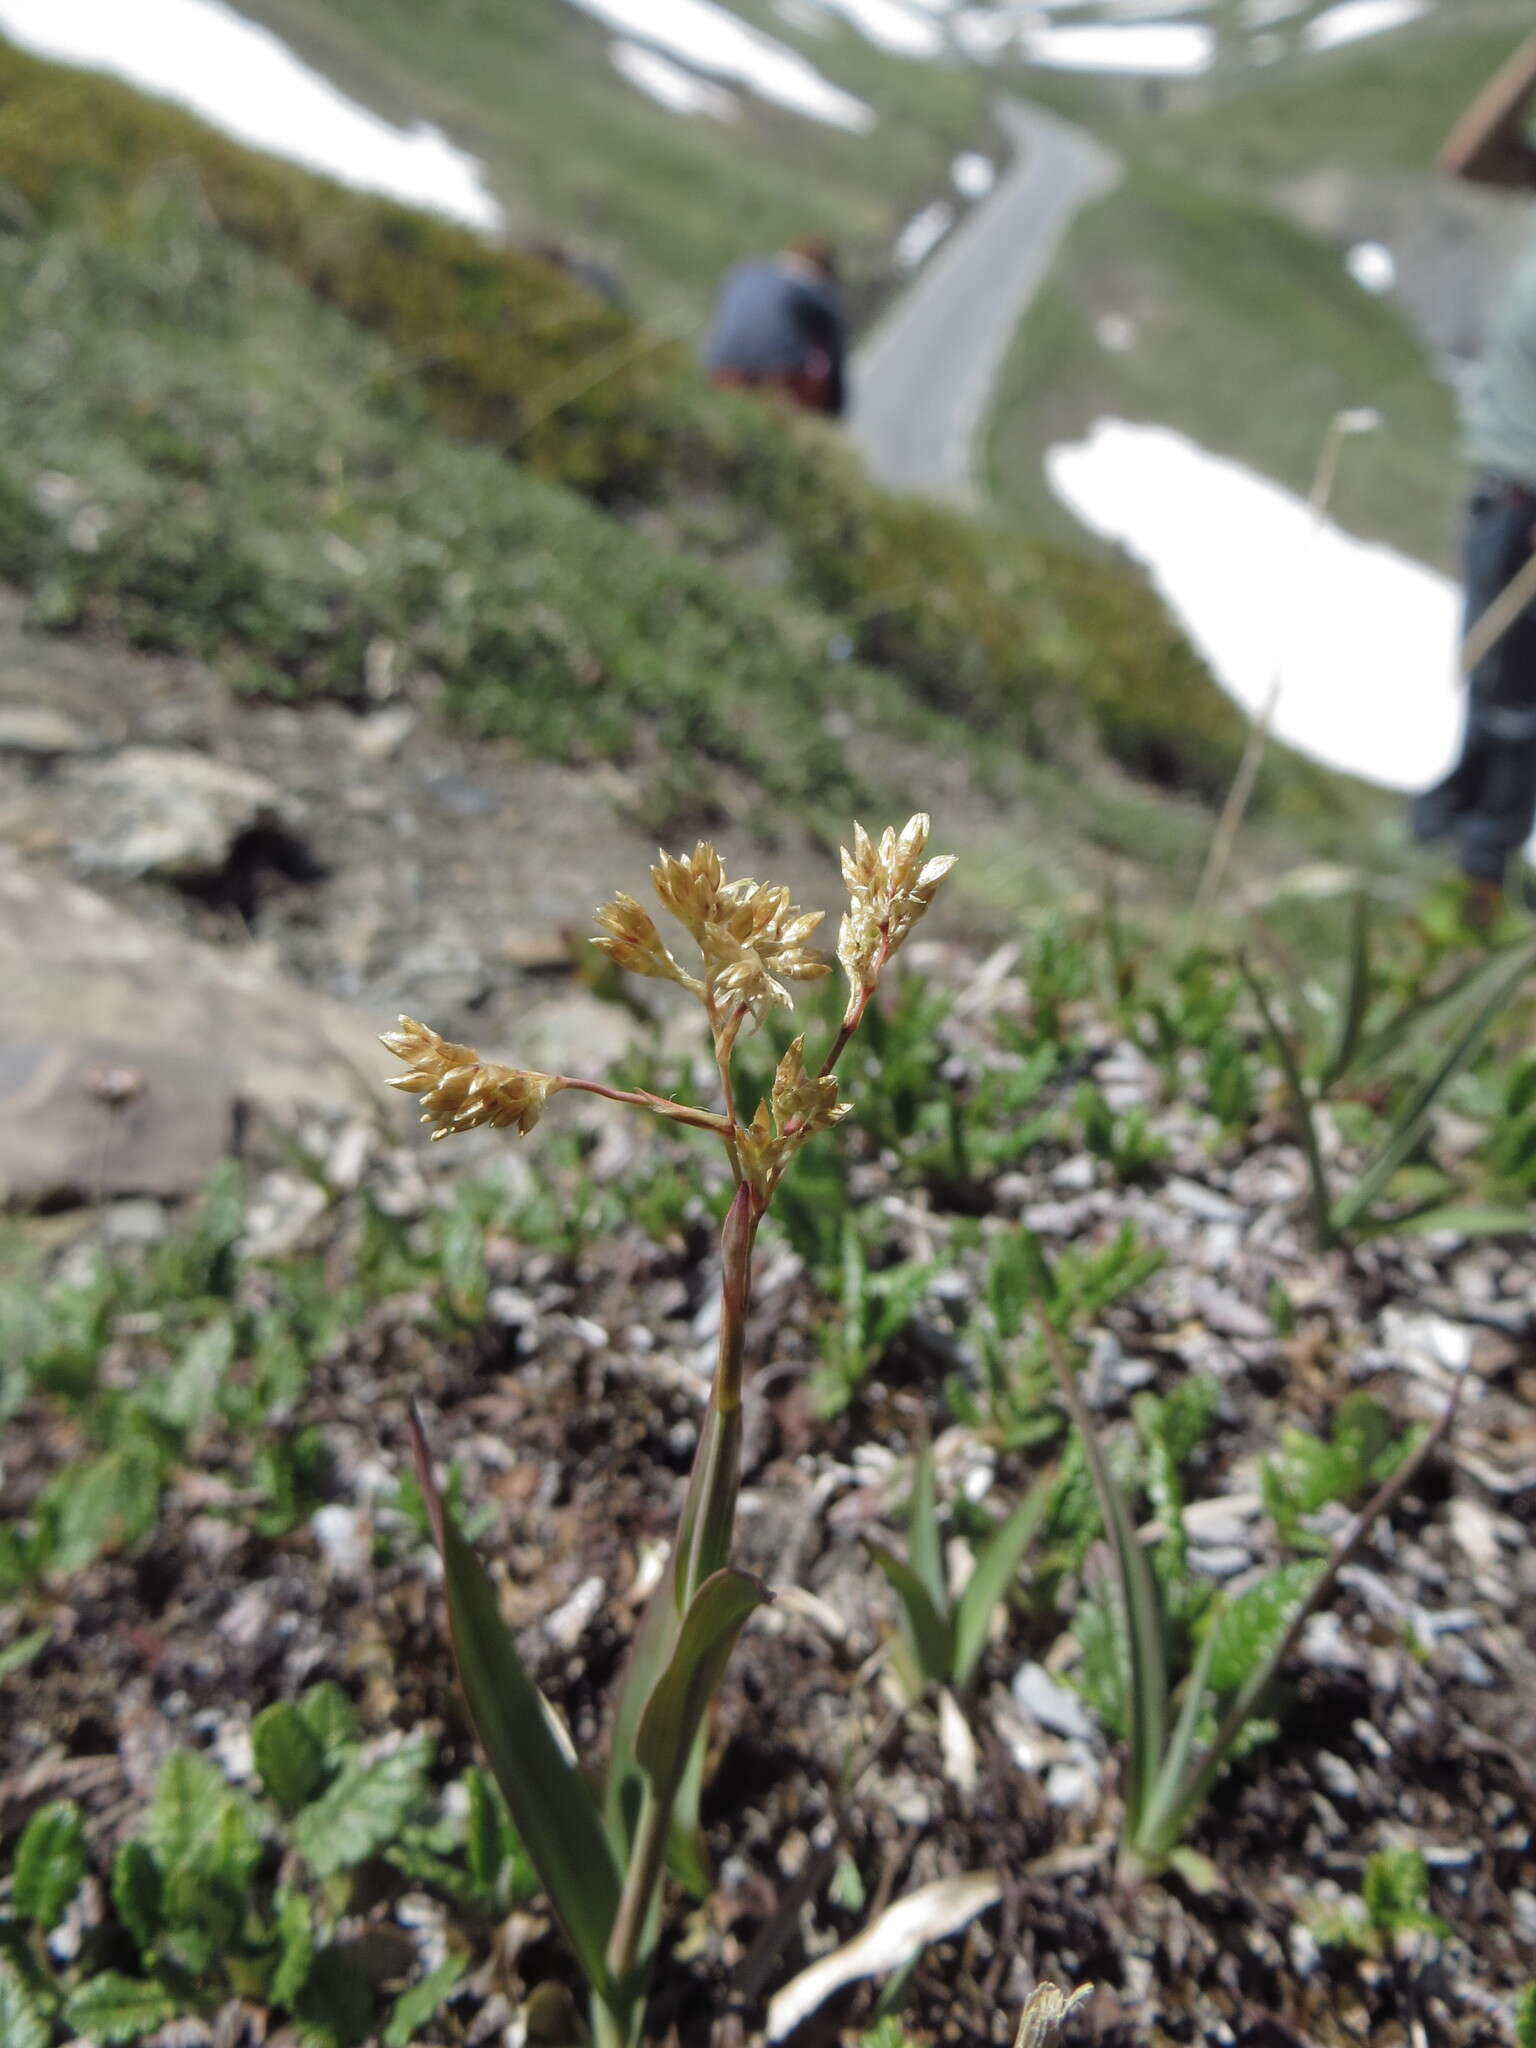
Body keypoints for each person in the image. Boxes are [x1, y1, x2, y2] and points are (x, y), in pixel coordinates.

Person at [1410, 33, 1536, 921]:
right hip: (1504, 480)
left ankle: (1480, 879)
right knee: (1492, 678)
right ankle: (1460, 851)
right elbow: (1473, 157)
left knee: (1518, 701)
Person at [703, 239, 847, 419]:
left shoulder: (744, 273)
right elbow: (835, 340)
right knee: (818, 361)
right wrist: (835, 409)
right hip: (782, 373)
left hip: (722, 369)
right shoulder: (811, 285)